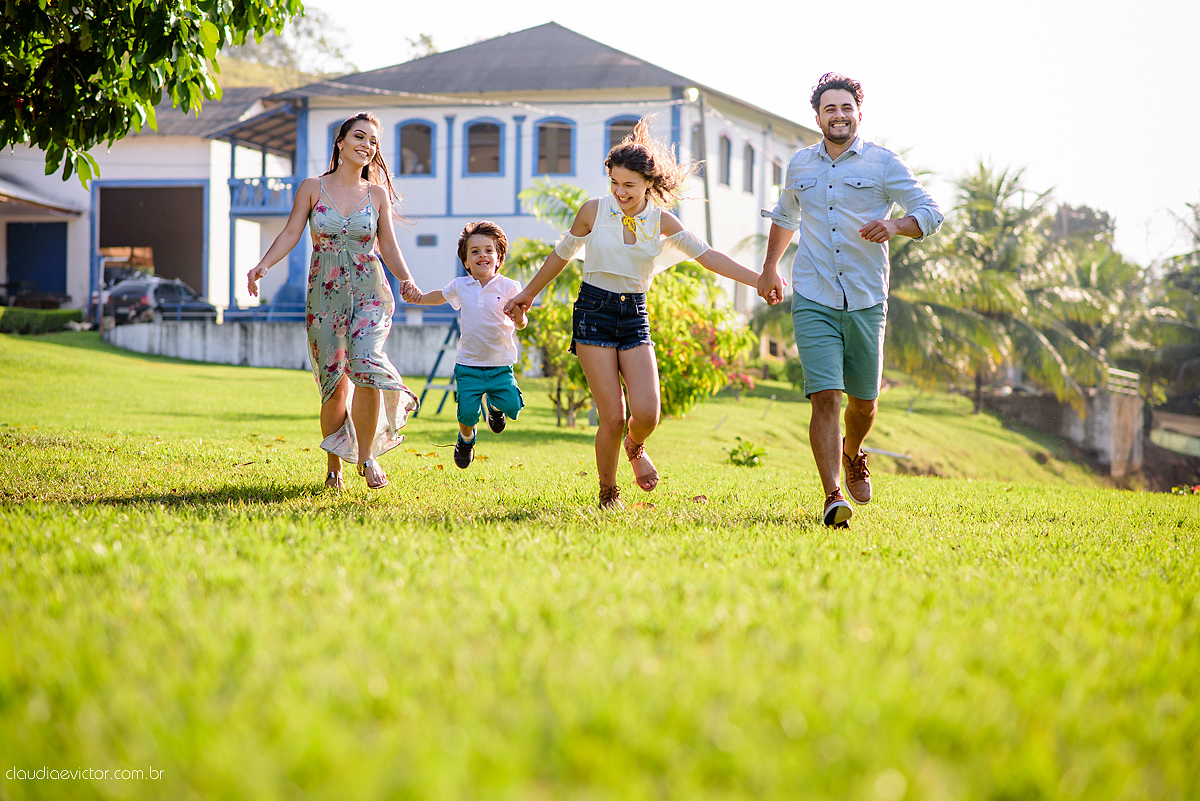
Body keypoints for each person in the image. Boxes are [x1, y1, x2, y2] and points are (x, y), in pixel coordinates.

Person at [505, 118, 778, 509]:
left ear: (649, 184)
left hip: (634, 314)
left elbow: (709, 257)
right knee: (613, 416)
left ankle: (635, 446)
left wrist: (759, 280)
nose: (620, 192)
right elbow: (560, 256)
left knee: (648, 412)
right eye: (614, 183)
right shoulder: (592, 211)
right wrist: (527, 294)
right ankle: (608, 493)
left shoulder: (663, 221)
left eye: (629, 185)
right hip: (593, 311)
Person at [757, 73, 944, 528]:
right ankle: (832, 495)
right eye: (830, 109)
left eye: (846, 108)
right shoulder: (800, 164)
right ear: (817, 117)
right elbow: (785, 216)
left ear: (859, 113)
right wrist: (769, 268)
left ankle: (853, 450)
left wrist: (895, 226)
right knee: (825, 397)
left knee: (864, 403)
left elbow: (931, 212)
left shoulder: (883, 163)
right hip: (813, 294)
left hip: (865, 298)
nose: (838, 116)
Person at [246, 111, 419, 491]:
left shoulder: (376, 195)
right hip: (325, 297)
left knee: (366, 365)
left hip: (370, 293)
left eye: (373, 141)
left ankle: (368, 457)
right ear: (340, 142)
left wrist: (407, 280)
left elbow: (388, 245)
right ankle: (334, 466)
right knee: (335, 385)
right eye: (359, 136)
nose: (366, 145)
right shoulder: (312, 187)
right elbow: (291, 232)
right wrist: (263, 266)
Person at [402, 221, 527, 468]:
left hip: (500, 365)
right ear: (466, 262)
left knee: (513, 406)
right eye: (475, 251)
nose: (483, 255)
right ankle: (466, 439)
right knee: (467, 414)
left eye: (489, 250)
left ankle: (495, 407)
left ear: (499, 257)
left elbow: (521, 323)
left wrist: (520, 318)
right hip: (468, 365)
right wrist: (419, 299)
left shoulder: (510, 287)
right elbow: (440, 296)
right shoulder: (461, 286)